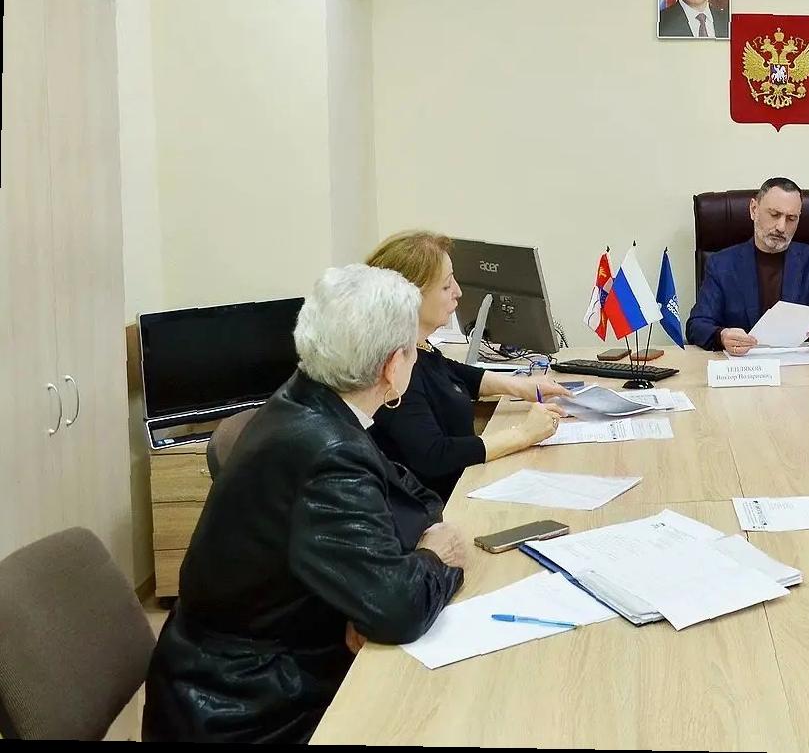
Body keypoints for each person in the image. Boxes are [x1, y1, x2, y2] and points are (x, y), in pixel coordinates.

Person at [143, 265, 466, 743]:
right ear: (391, 366)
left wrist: (366, 597)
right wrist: (435, 556)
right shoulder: (329, 449)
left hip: (246, 666)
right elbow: (398, 606)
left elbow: (411, 497)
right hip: (246, 708)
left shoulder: (310, 400)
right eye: (412, 349)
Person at [366, 230, 572, 502]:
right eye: (446, 286)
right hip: (440, 507)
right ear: (410, 296)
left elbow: (449, 371)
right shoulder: (395, 370)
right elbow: (434, 456)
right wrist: (524, 433)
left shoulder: (417, 348)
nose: (458, 292)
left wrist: (520, 386)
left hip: (464, 486)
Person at [687, 177, 809, 353]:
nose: (781, 227)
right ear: (754, 210)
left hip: (799, 364)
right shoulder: (721, 264)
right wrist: (722, 336)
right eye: (774, 215)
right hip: (744, 364)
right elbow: (697, 325)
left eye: (791, 218)